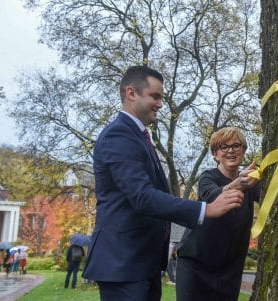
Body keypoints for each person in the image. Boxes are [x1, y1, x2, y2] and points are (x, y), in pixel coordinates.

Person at [82, 65, 244, 301]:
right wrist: (205, 209)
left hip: (141, 264)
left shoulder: (138, 136)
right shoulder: (118, 135)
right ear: (131, 93)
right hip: (123, 265)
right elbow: (143, 196)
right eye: (155, 96)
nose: (160, 104)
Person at [176, 127, 259, 301]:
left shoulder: (251, 181)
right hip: (195, 264)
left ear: (243, 151)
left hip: (229, 270)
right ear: (215, 154)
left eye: (236, 146)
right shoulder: (208, 177)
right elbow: (209, 197)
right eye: (224, 147)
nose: (231, 150)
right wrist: (236, 184)